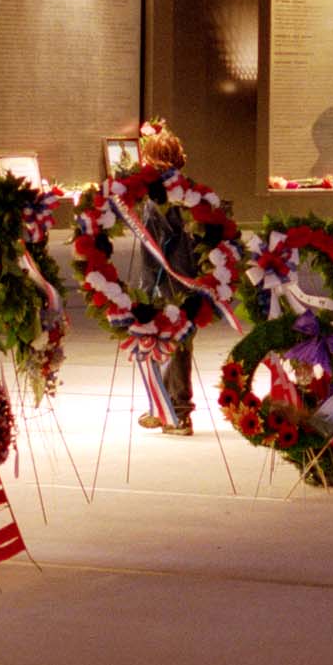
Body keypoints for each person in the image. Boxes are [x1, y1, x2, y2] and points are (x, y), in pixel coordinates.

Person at [136, 124, 196, 437]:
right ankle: (165, 406)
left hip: (167, 280)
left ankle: (178, 412)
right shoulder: (189, 192)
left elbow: (152, 248)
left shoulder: (156, 201)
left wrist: (146, 292)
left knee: (171, 344)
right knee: (173, 344)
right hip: (190, 279)